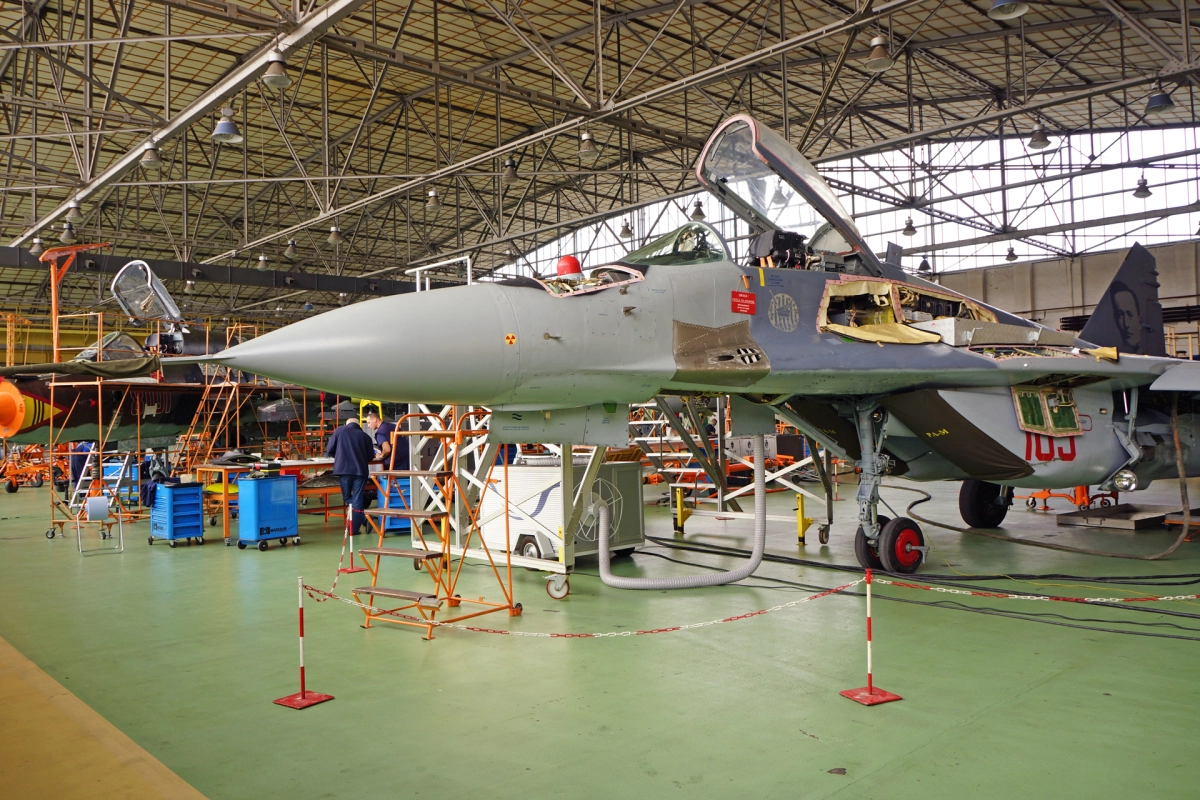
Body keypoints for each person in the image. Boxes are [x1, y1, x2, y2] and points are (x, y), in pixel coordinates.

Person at [325, 418, 374, 536]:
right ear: (358, 425)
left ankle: (363, 520)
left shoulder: (339, 431)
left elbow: (329, 450)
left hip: (344, 470)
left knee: (347, 497)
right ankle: (357, 526)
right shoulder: (365, 436)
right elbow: (370, 457)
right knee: (357, 500)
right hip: (360, 471)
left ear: (347, 424)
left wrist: (340, 455)